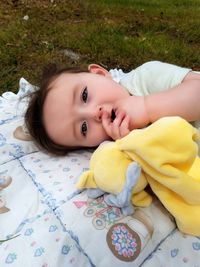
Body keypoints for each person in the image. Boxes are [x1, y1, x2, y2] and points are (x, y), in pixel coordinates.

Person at [24, 61, 200, 155]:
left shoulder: (145, 78)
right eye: (83, 128)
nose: (94, 113)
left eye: (84, 96)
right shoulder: (123, 148)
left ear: (101, 74)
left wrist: (147, 107)